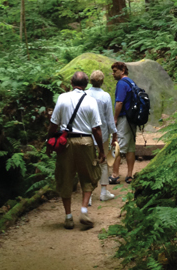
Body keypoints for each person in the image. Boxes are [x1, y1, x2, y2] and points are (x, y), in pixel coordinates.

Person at [47, 71, 105, 230]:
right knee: (89, 176)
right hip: (86, 142)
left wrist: (48, 143)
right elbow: (96, 129)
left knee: (65, 177)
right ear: (86, 85)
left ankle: (68, 217)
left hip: (66, 143)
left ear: (71, 84)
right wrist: (101, 150)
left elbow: (53, 124)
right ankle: (84, 211)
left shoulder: (62, 98)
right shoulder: (91, 101)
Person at [87, 70, 118, 202]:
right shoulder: (105, 96)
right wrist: (114, 134)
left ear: (90, 81)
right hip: (103, 133)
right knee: (103, 161)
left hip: (87, 133)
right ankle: (104, 192)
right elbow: (109, 118)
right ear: (102, 81)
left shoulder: (85, 94)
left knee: (88, 163)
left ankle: (87, 196)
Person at [109, 62, 136, 184]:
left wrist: (115, 118)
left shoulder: (121, 84)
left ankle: (115, 175)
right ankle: (129, 175)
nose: (113, 74)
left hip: (124, 118)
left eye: (115, 71)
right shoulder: (131, 82)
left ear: (123, 70)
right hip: (132, 118)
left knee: (118, 146)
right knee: (130, 147)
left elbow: (119, 102)